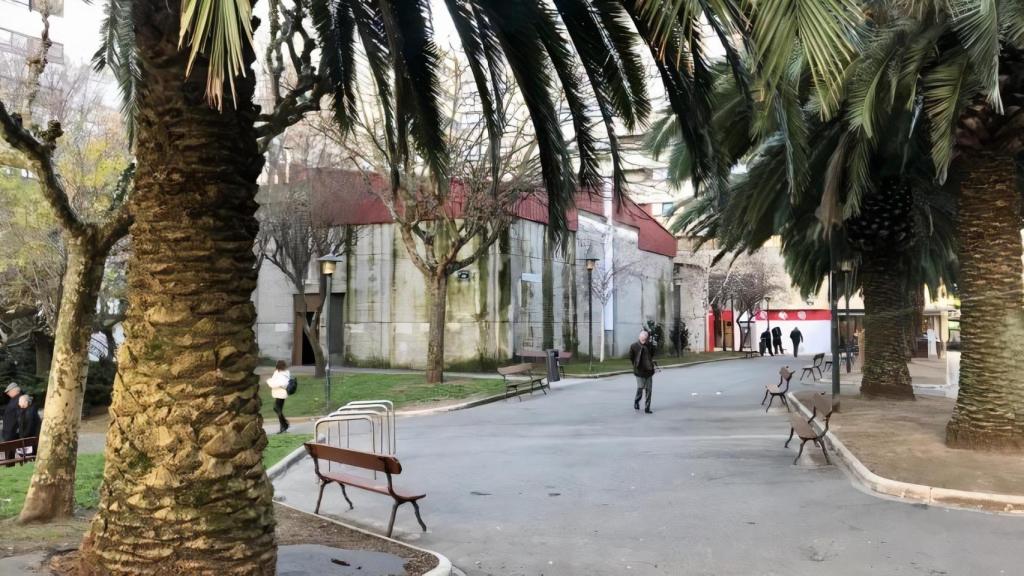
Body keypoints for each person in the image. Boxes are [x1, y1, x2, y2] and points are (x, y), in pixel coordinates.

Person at [630, 330, 656, 414]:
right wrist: (636, 365)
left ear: (647, 338)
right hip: (639, 371)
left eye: (645, 338)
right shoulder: (634, 346)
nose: (643, 340)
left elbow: (652, 355)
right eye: (642, 338)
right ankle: (636, 401)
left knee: (649, 390)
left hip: (649, 371)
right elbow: (631, 357)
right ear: (639, 337)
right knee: (640, 388)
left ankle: (647, 408)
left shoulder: (650, 346)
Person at [266, 360, 291, 434]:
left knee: (276, 408)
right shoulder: (277, 372)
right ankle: (283, 427)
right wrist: (272, 382)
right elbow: (274, 381)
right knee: (278, 409)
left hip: (281, 393)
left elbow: (282, 383)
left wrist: (270, 382)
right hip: (278, 393)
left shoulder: (284, 373)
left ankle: (285, 425)